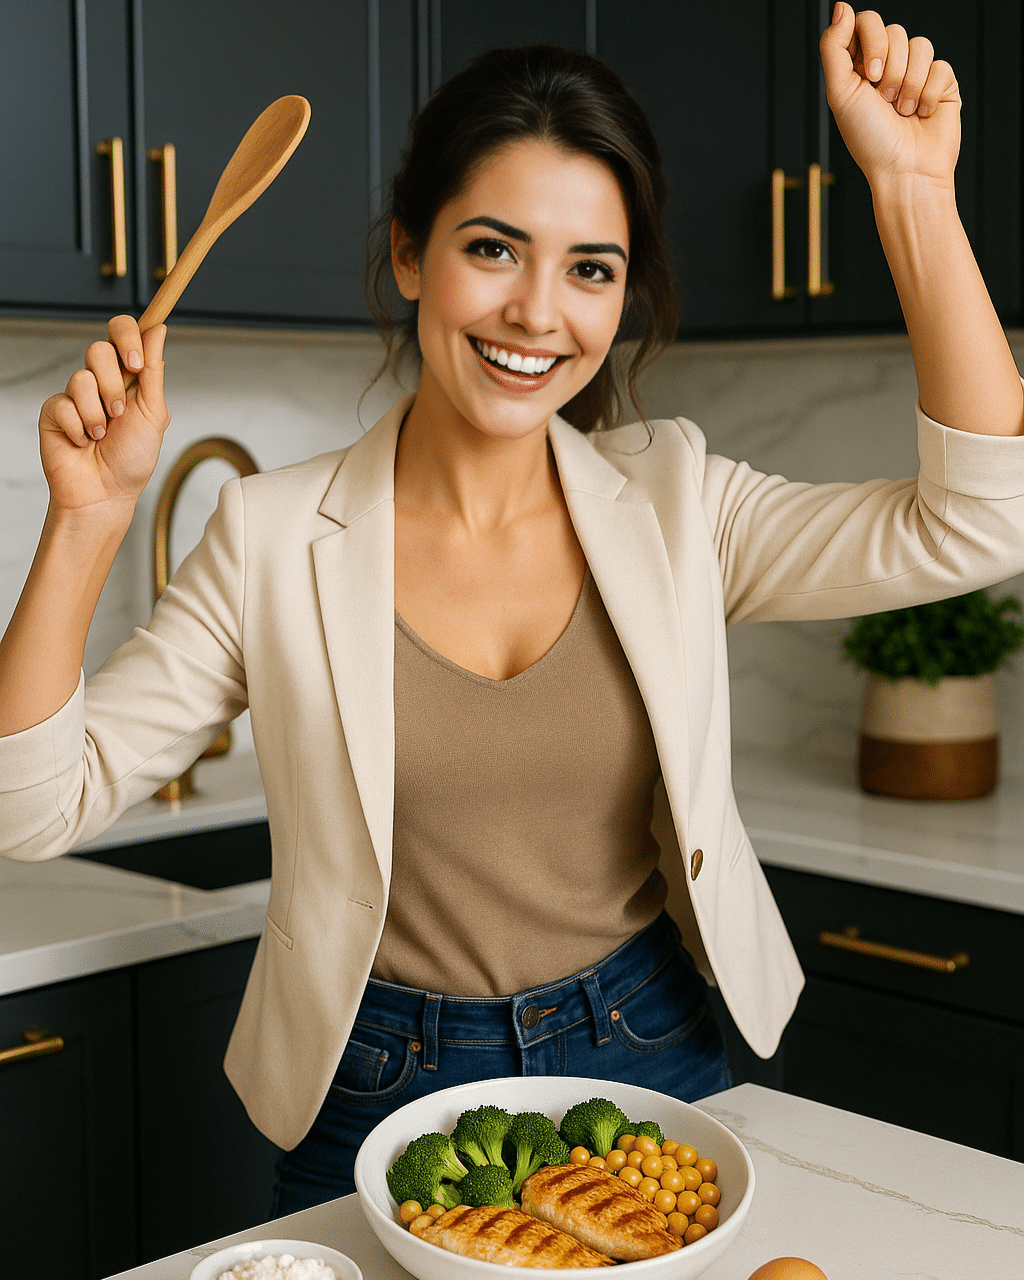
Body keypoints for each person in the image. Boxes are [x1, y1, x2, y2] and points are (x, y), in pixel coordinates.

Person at [1, 4, 1023, 1213]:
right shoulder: (272, 535)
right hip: (376, 1084)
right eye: (493, 248)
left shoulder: (678, 498)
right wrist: (84, 522)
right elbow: (36, 806)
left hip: (656, 1062)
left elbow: (979, 521)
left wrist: (910, 189)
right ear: (407, 254)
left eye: (591, 269)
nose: (540, 313)